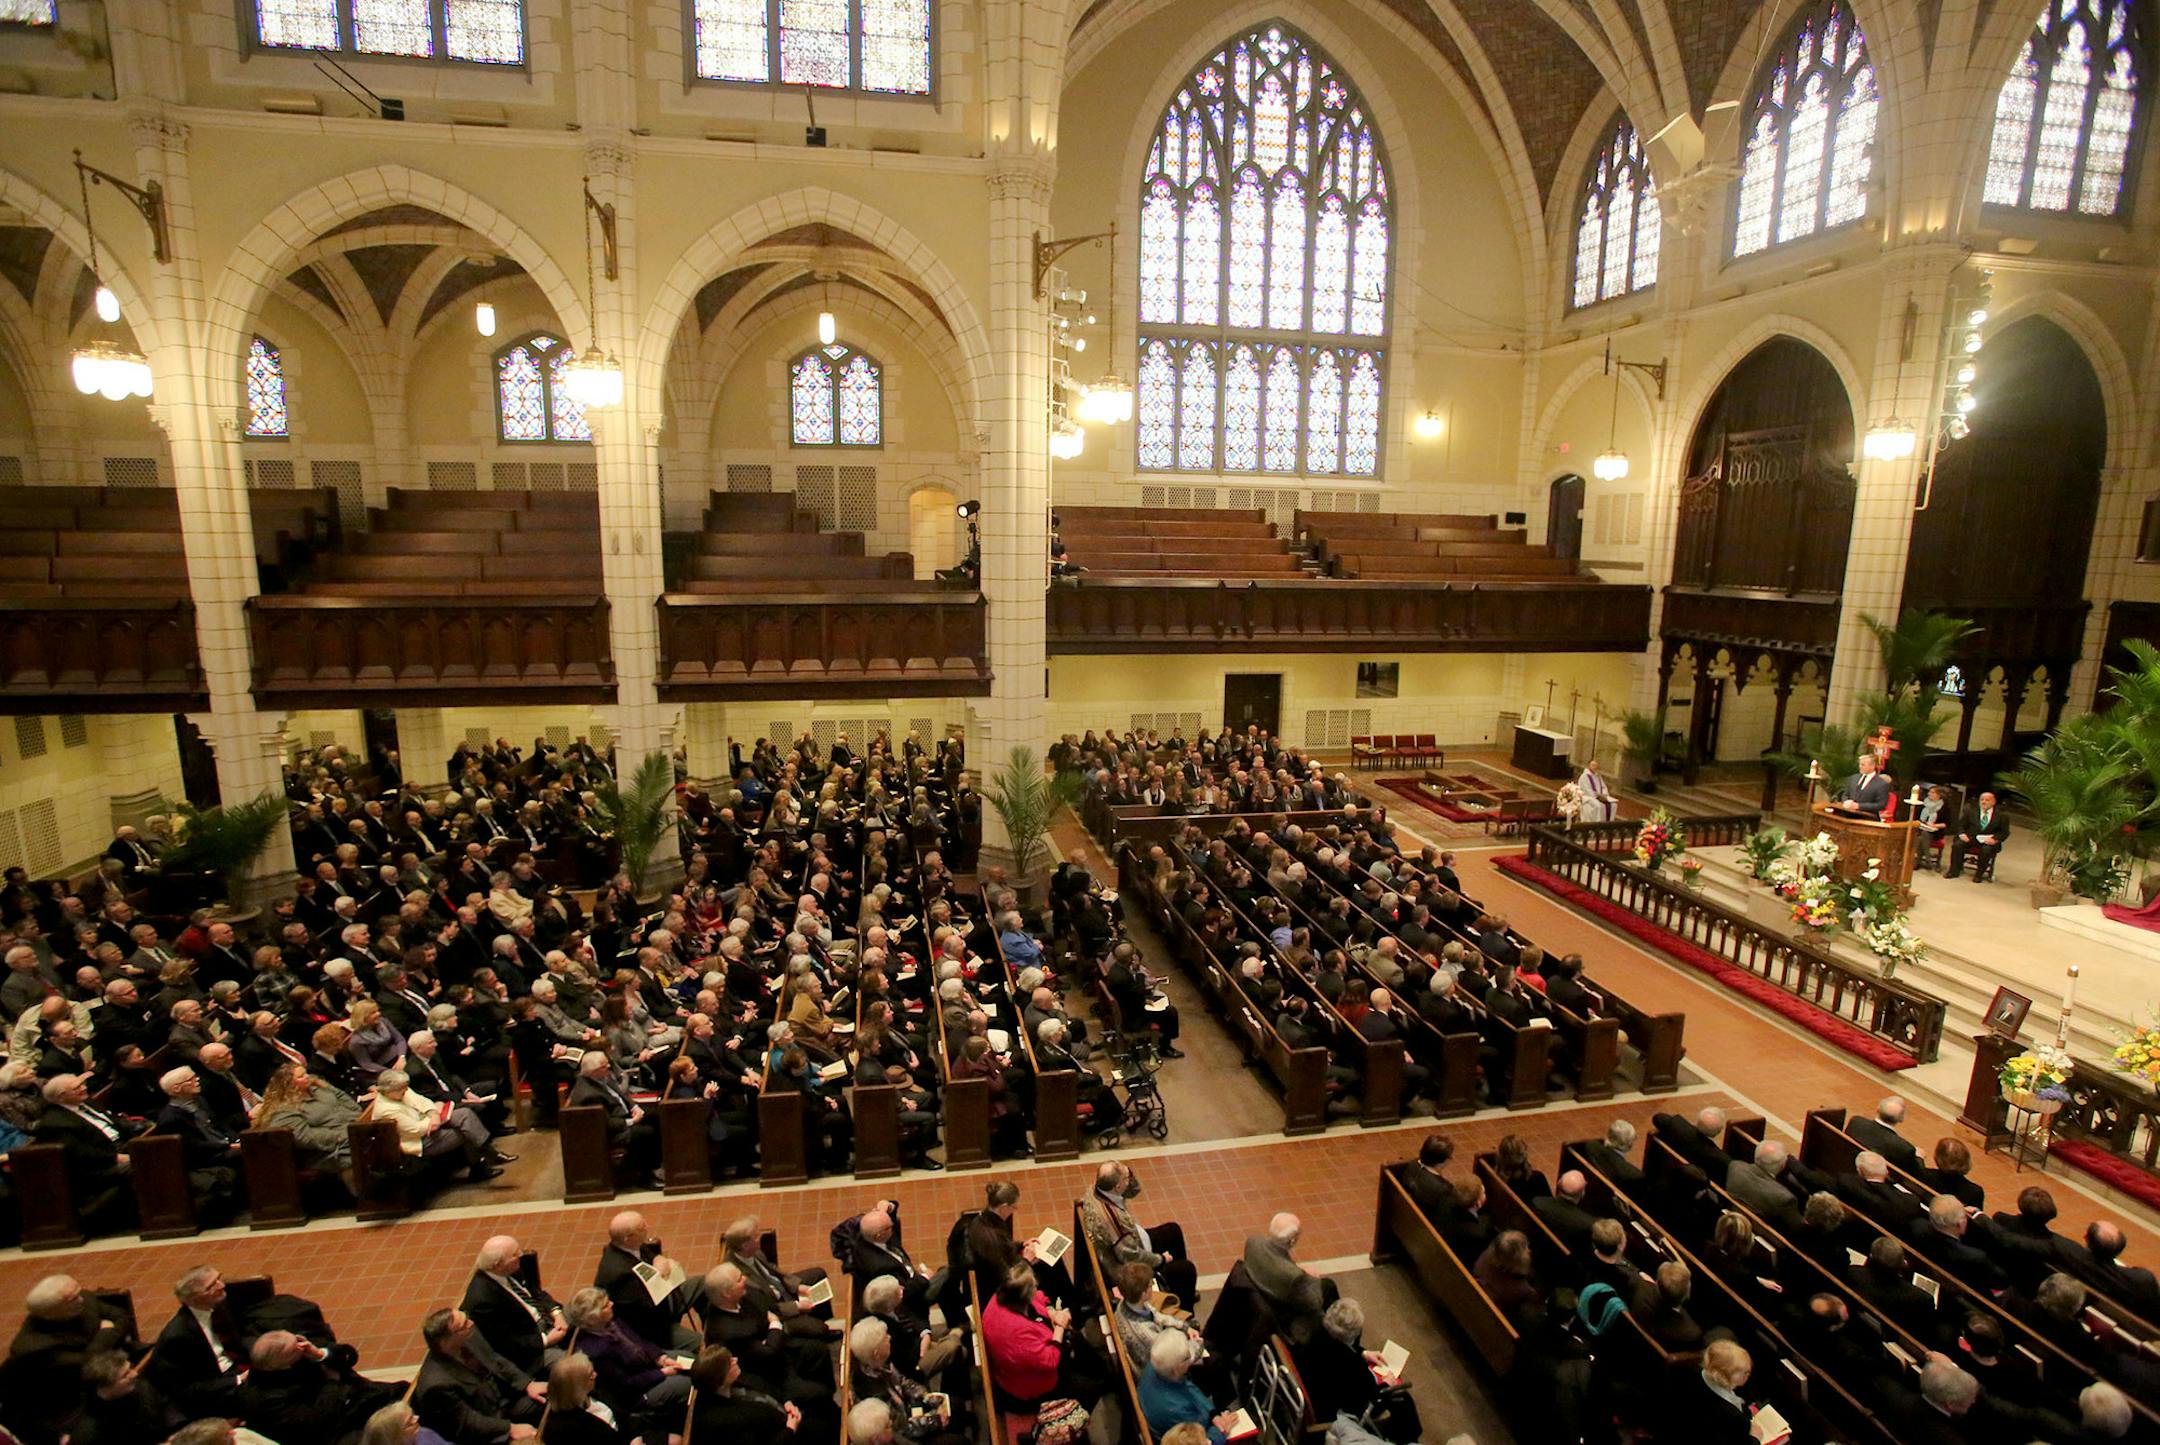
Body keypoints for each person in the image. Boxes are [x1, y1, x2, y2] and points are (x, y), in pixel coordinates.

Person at [412, 1306, 545, 1444]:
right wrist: (510, 1428)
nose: (471, 1324)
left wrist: (528, 1384)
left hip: (504, 1401)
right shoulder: (436, 1385)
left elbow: (495, 1360)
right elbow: (470, 1422)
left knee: (553, 1397)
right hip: (485, 1430)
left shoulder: (467, 1336)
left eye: (467, 1318)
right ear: (445, 1341)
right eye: (464, 1325)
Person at [1079, 1162, 1198, 1308]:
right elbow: (1131, 1256)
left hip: (1130, 1239)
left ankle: (1181, 1290)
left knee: (1173, 1231)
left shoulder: (1097, 1189)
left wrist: (1127, 1174)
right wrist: (1160, 1259)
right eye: (1126, 1178)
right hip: (1125, 1269)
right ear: (1117, 1187)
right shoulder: (1112, 1221)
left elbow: (1134, 1190)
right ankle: (1184, 1306)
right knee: (1185, 1270)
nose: (1129, 1179)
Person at [1138, 1333, 1238, 1445]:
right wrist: (1221, 1430)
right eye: (1187, 1358)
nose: (1191, 1360)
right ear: (1176, 1369)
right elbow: (1199, 1439)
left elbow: (1187, 1386)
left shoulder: (1156, 1366)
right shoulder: (1177, 1411)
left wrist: (1213, 1413)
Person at [539, 1352, 627, 1444]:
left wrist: (635, 1436)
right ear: (578, 1387)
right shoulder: (569, 1429)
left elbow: (624, 1414)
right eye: (590, 1375)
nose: (595, 1374)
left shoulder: (594, 1391)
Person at [1947, 791, 2010, 883]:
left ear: (1993, 802)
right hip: (1971, 838)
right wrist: (1962, 834)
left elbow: (2004, 832)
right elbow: (1960, 825)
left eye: (1987, 800)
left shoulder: (2002, 815)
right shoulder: (1971, 811)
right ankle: (1954, 871)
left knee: (1986, 850)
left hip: (1988, 841)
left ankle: (1979, 874)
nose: (1984, 802)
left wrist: (1995, 839)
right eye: (1982, 800)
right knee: (1957, 845)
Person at [1835, 752, 1893, 817]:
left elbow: (1881, 805)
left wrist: (1858, 806)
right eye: (1859, 764)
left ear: (1872, 766)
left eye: (1863, 765)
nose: (1860, 766)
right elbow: (1845, 794)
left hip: (1866, 818)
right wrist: (1846, 801)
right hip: (1847, 815)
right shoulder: (1854, 778)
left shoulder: (1881, 784)